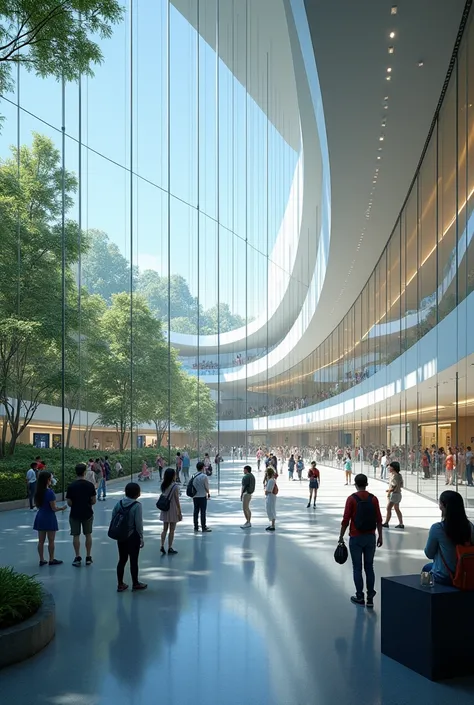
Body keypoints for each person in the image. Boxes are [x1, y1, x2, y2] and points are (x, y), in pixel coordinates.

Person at [339, 473, 383, 608]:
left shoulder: (351, 499)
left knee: (357, 568)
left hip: (356, 537)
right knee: (369, 567)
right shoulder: (373, 499)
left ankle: (360, 596)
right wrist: (380, 535)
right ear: (366, 484)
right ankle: (370, 598)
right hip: (370, 536)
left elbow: (346, 520)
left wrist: (341, 536)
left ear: (355, 484)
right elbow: (379, 519)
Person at [422, 490, 474, 585]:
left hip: (445, 576)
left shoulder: (437, 528)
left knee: (427, 568)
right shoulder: (470, 526)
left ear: (443, 506)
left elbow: (429, 553)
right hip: (466, 573)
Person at [112, 482, 147, 592]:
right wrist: (141, 537)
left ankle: (120, 584)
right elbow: (138, 523)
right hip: (133, 537)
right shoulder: (137, 506)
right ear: (137, 493)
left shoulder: (119, 503)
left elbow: (114, 517)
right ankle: (135, 583)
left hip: (121, 536)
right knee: (133, 560)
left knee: (122, 559)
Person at [33, 470, 67, 566]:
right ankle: (51, 559)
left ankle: (41, 559)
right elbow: (53, 508)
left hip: (40, 516)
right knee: (51, 540)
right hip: (49, 517)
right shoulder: (50, 492)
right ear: (48, 480)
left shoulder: (38, 492)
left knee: (41, 541)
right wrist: (62, 508)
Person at [66, 462, 96, 567]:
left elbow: (69, 502)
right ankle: (88, 557)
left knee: (76, 535)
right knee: (88, 534)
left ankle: (77, 556)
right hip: (87, 513)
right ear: (84, 472)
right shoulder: (90, 485)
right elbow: (93, 501)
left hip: (74, 513)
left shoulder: (71, 486)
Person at [159, 468, 182, 555]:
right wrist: (179, 512)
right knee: (172, 530)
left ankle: (161, 545)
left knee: (164, 529)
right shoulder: (175, 486)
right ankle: (170, 547)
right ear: (173, 476)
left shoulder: (163, 485)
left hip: (165, 509)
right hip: (172, 509)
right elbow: (177, 500)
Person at [382, 461, 404, 529]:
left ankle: (386, 523)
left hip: (394, 495)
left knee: (388, 508)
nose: (389, 468)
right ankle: (401, 523)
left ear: (394, 468)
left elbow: (394, 486)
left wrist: (389, 491)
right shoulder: (399, 475)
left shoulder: (394, 476)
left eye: (390, 467)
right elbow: (401, 485)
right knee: (397, 509)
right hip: (398, 494)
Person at [193, 461, 212, 532]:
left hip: (195, 496)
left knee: (196, 511)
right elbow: (206, 487)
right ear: (203, 467)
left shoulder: (193, 475)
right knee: (203, 512)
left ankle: (196, 526)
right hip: (202, 496)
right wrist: (208, 493)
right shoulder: (204, 476)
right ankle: (203, 526)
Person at [241, 465, 255, 529]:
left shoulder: (246, 477)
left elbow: (243, 486)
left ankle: (248, 521)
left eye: (244, 470)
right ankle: (248, 521)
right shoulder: (252, 476)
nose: (243, 471)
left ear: (246, 470)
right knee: (247, 508)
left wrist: (241, 494)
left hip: (246, 493)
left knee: (245, 508)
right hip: (250, 493)